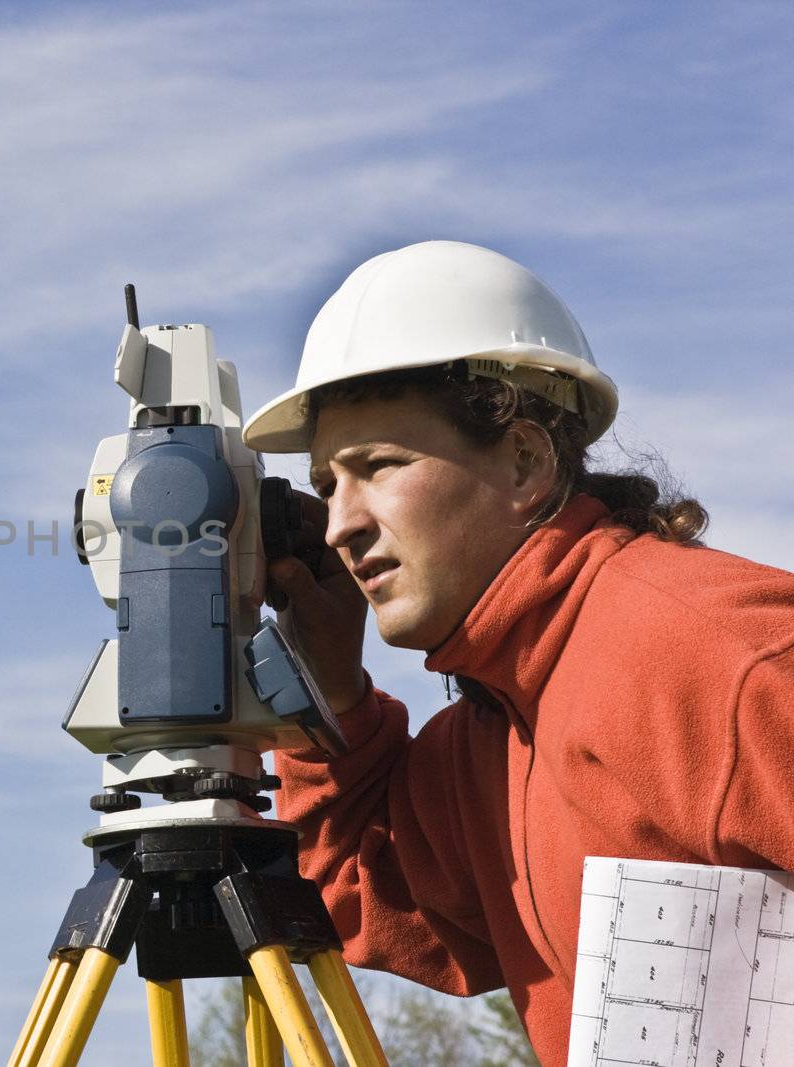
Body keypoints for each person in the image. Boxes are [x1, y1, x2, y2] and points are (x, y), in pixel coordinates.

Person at [240, 240, 794, 1065]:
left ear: (526, 461)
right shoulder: (494, 738)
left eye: (379, 466)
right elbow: (364, 892)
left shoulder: (715, 650)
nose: (338, 524)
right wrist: (333, 693)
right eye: (326, 486)